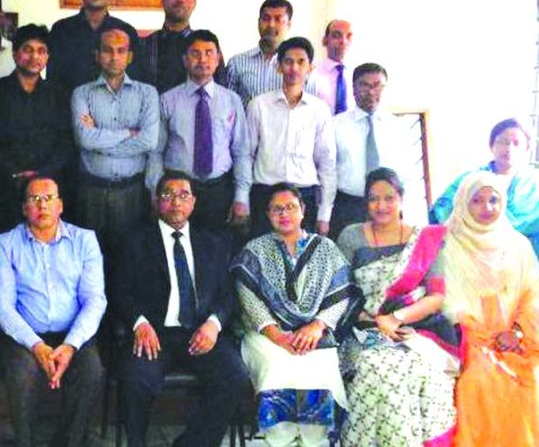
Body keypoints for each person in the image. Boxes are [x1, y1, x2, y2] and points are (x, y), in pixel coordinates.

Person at [115, 171, 250, 447]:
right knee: (134, 381)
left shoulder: (213, 243)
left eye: (183, 195)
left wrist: (214, 324)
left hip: (200, 333)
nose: (176, 202)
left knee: (235, 377)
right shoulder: (134, 242)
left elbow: (227, 295)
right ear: (156, 202)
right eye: (168, 195)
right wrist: (139, 323)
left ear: (193, 203)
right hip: (154, 334)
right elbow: (119, 291)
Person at [336, 168, 459, 447]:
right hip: (363, 329)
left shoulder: (426, 239)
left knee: (417, 373)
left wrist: (395, 318)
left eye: (389, 198)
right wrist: (366, 316)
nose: (381, 206)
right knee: (374, 368)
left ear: (401, 199)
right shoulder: (351, 236)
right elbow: (339, 290)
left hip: (419, 330)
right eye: (373, 199)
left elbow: (436, 296)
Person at [231, 183, 354, 447]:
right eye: (277, 208)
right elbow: (247, 296)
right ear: (267, 214)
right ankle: (280, 440)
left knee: (318, 372)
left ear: (303, 210)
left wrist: (317, 326)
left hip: (315, 335)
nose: (284, 213)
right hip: (266, 335)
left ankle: (314, 441)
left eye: (290, 207)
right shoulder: (255, 249)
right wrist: (277, 335)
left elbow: (341, 293)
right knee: (278, 370)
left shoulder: (326, 248)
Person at [0, 176, 106, 447]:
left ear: (61, 205)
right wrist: (37, 346)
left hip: (72, 333)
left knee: (92, 370)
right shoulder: (6, 243)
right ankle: (25, 441)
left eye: (49, 198)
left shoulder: (84, 240)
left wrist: (71, 345)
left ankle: (70, 441)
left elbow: (95, 300)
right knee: (22, 372)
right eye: (34, 199)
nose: (42, 205)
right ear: (24, 208)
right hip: (25, 335)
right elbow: (1, 305)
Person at [440, 171, 539, 446]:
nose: (487, 208)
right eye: (477, 200)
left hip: (518, 335)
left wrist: (517, 333)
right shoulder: (449, 244)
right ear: (462, 203)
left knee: (532, 380)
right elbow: (447, 300)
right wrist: (482, 337)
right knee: (479, 382)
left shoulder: (518, 244)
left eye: (494, 200)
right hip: (468, 337)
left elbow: (533, 296)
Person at [0, 24, 73, 245]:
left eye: (41, 50)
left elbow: (66, 143)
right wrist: (12, 173)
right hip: (3, 191)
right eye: (27, 49)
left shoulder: (58, 96)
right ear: (15, 54)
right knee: (4, 257)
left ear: (47, 57)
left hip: (45, 194)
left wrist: (41, 174)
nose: (34, 56)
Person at [234, 37, 336, 238]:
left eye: (301, 62)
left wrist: (324, 214)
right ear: (278, 67)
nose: (294, 68)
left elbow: (327, 163)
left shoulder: (319, 109)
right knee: (264, 259)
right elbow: (246, 155)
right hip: (265, 194)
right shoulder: (258, 105)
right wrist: (243, 199)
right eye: (288, 61)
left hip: (303, 195)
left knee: (302, 262)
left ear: (310, 68)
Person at [72, 25, 158, 256]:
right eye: (108, 50)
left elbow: (149, 141)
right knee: (89, 258)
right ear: (97, 55)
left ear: (130, 57)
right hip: (91, 191)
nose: (114, 57)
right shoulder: (81, 93)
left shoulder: (148, 93)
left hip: (131, 191)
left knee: (129, 260)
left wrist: (99, 142)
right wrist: (127, 133)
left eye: (121, 51)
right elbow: (83, 138)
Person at [147, 30, 247, 229]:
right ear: (185, 60)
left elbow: (242, 152)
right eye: (195, 53)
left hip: (219, 190)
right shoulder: (167, 100)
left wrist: (242, 197)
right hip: (177, 192)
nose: (202, 59)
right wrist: (156, 193)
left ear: (218, 59)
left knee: (216, 250)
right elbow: (155, 152)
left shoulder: (231, 100)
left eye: (209, 53)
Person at [430, 118, 539, 258]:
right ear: (492, 146)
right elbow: (442, 208)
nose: (509, 148)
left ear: (527, 149)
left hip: (525, 260)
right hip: (475, 256)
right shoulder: (470, 179)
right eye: (503, 142)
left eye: (516, 143)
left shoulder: (535, 185)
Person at [330, 63, 406, 239]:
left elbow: (406, 175)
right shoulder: (335, 125)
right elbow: (328, 172)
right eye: (364, 85)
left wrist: (406, 211)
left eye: (377, 86)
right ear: (354, 88)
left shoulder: (397, 126)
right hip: (348, 207)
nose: (371, 92)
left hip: (388, 207)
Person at [48, 0, 140, 94]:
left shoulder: (126, 32)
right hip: (68, 109)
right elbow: (53, 80)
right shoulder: (61, 30)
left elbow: (133, 81)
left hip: (113, 111)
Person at [136, 0, 228, 94]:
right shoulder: (144, 45)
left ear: (194, 3)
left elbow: (219, 92)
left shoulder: (208, 49)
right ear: (162, 0)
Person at [225, 0, 292, 106]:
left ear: (289, 24)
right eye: (266, 18)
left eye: (278, 19)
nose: (271, 25)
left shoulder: (298, 67)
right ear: (258, 22)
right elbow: (228, 108)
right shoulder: (237, 63)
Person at [307, 20, 354, 115]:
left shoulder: (358, 75)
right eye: (337, 35)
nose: (343, 41)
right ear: (325, 41)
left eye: (348, 36)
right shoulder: (311, 74)